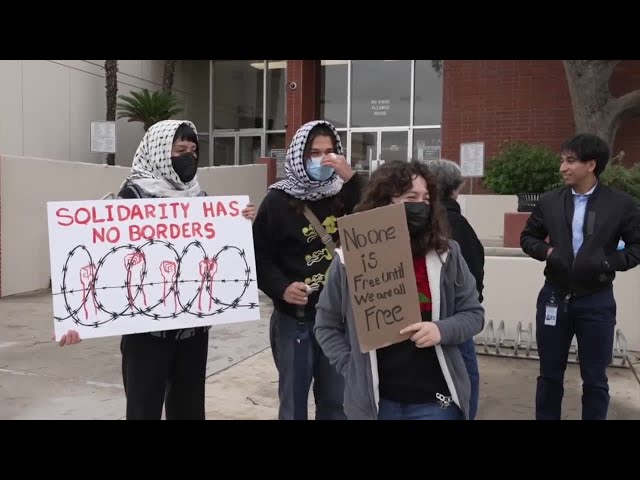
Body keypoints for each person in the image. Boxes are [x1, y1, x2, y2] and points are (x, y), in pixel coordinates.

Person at [58, 119, 257, 420]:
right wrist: (75, 319)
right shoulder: (131, 198)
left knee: (189, 410)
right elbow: (102, 261)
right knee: (143, 410)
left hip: (193, 330)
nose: (188, 156)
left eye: (193, 150)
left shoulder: (200, 197)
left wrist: (239, 222)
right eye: (180, 149)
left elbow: (216, 250)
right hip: (146, 335)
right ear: (160, 151)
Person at [314, 160, 484, 420]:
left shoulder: (447, 254)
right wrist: (352, 368)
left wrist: (441, 330)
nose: (421, 205)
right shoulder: (350, 259)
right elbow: (326, 325)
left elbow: (474, 314)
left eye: (426, 198)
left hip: (436, 399)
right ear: (384, 203)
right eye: (410, 197)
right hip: (378, 404)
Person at [520, 133, 640, 420]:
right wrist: (547, 252)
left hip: (596, 301)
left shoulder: (620, 204)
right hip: (554, 296)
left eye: (570, 161)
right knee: (549, 375)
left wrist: (608, 261)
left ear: (591, 165)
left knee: (595, 380)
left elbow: (637, 246)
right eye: (562, 160)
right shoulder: (549, 201)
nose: (563, 167)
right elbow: (528, 237)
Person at [252, 120, 364, 420]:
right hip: (296, 322)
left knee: (338, 403)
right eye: (314, 153)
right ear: (299, 155)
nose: (323, 159)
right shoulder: (277, 201)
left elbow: (376, 220)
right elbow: (259, 256)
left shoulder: (345, 194)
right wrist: (282, 288)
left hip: (339, 321)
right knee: (293, 405)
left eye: (330, 152)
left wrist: (350, 177)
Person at [427, 158, 484, 420]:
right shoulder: (456, 225)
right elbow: (474, 277)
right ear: (455, 189)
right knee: (463, 384)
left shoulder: (437, 226)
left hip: (439, 324)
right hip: (454, 326)